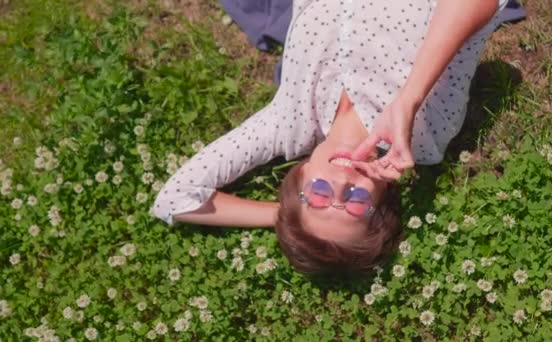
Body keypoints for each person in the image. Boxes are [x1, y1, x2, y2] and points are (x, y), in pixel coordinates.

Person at [153, 0, 509, 278]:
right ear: (384, 199)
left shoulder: (287, 123)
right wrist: (409, 99)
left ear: (301, 180)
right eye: (354, 203)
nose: (340, 182)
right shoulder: (427, 132)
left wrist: (285, 217)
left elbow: (173, 200)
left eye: (319, 196)